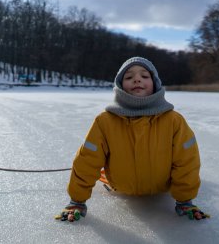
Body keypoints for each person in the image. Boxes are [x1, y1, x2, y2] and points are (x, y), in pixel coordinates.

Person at [58, 57, 209, 222]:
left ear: (155, 83)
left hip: (162, 188)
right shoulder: (105, 121)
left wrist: (185, 199)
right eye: (129, 77)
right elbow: (87, 161)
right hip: (119, 187)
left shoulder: (174, 120)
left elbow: (187, 161)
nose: (137, 79)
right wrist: (77, 200)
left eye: (145, 76)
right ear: (120, 85)